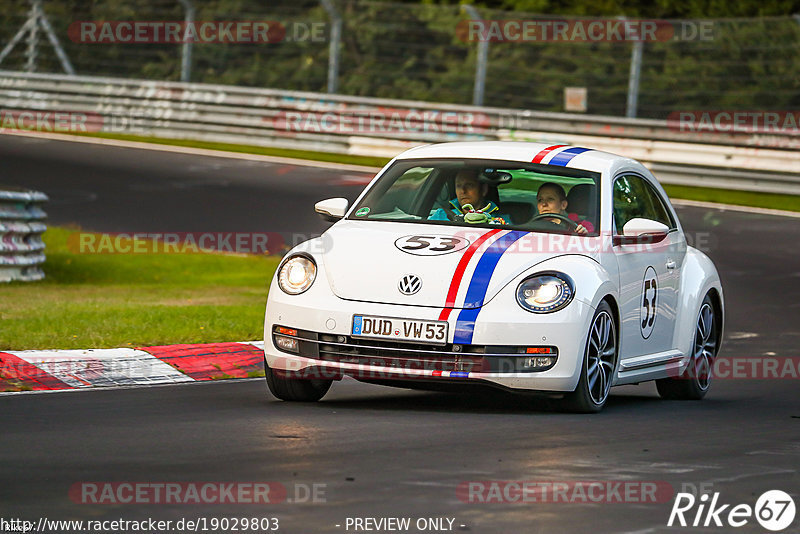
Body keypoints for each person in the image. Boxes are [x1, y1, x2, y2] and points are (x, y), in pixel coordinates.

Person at [428, 169, 510, 224]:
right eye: (459, 186)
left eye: (469, 185)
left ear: (484, 189)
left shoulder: (501, 220)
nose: (463, 191)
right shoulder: (440, 215)